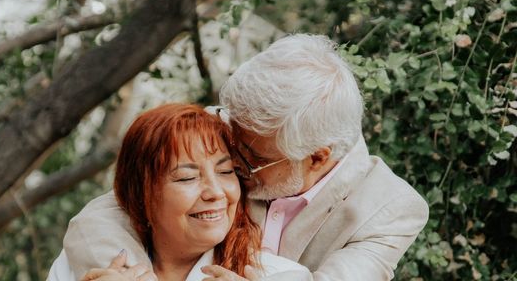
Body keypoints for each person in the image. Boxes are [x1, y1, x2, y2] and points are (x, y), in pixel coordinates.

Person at [63, 34, 429, 280]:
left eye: (249, 157)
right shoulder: (232, 129)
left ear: (316, 158)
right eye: (230, 138)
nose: (230, 163)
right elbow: (111, 211)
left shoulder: (391, 209)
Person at [48, 104, 305, 281]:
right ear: (142, 194)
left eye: (227, 172)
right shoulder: (84, 265)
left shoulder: (279, 275)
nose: (215, 193)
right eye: (187, 177)